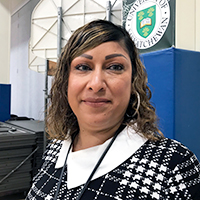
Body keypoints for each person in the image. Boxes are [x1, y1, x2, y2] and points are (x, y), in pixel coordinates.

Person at [26, 20, 200, 200]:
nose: (96, 84)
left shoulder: (174, 165)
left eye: (115, 67)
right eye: (83, 67)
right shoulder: (55, 149)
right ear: (65, 81)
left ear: (134, 82)